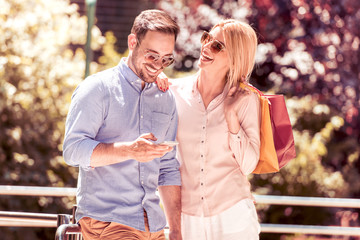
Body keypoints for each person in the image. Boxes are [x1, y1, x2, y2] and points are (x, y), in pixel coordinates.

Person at [63, 9, 182, 240]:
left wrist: (176, 231)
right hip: (107, 222)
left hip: (154, 227)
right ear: (132, 42)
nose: (158, 65)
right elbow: (73, 150)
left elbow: (167, 168)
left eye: (166, 58)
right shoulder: (97, 89)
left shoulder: (165, 98)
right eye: (151, 56)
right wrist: (130, 150)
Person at [158, 19, 261, 239]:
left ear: (235, 57)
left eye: (217, 46)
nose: (205, 47)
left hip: (233, 217)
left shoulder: (247, 99)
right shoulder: (173, 92)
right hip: (187, 219)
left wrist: (231, 116)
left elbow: (249, 164)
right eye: (207, 38)